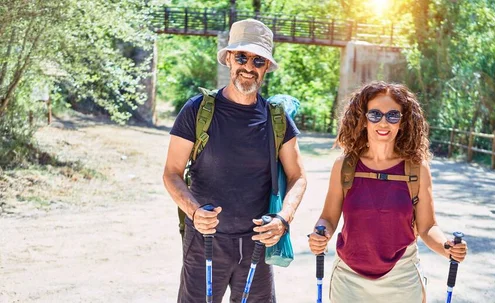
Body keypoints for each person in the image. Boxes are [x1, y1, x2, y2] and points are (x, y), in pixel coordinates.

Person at [163, 19, 307, 303]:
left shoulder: (277, 119)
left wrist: (283, 219)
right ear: (229, 58)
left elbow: (298, 177)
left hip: (257, 244)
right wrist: (193, 212)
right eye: (242, 56)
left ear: (266, 67)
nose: (248, 67)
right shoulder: (197, 111)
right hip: (205, 242)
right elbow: (171, 172)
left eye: (258, 60)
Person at [308, 81, 467, 302]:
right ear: (363, 120)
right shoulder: (345, 166)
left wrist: (446, 247)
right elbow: (328, 218)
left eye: (393, 115)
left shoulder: (417, 168)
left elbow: (428, 227)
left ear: (402, 122)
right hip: (349, 280)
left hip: (401, 279)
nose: (384, 122)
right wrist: (320, 233)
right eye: (375, 115)